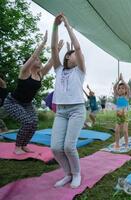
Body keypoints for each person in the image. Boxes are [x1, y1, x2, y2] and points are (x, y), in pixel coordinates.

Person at [3, 31, 63, 154]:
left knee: (34, 123)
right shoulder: (24, 72)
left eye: (39, 60)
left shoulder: (40, 73)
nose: (39, 61)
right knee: (27, 122)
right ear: (30, 62)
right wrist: (43, 43)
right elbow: (33, 56)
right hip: (13, 102)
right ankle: (17, 147)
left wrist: (57, 50)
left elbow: (51, 62)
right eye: (37, 60)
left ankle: (24, 145)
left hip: (27, 103)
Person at [50, 14, 86, 189]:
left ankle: (77, 174)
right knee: (56, 148)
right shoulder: (58, 69)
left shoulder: (80, 71)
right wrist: (55, 26)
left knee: (69, 147)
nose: (77, 55)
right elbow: (53, 49)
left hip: (77, 110)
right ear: (66, 58)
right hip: (61, 111)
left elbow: (77, 47)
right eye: (72, 54)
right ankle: (67, 174)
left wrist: (68, 25)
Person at [113, 73, 130, 149]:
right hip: (118, 117)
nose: (120, 89)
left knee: (125, 131)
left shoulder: (126, 97)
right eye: (119, 88)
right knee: (116, 131)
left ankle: (126, 143)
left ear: (125, 90)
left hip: (125, 117)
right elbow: (114, 88)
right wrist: (118, 81)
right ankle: (117, 143)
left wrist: (122, 80)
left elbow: (128, 88)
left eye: (123, 88)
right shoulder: (117, 97)